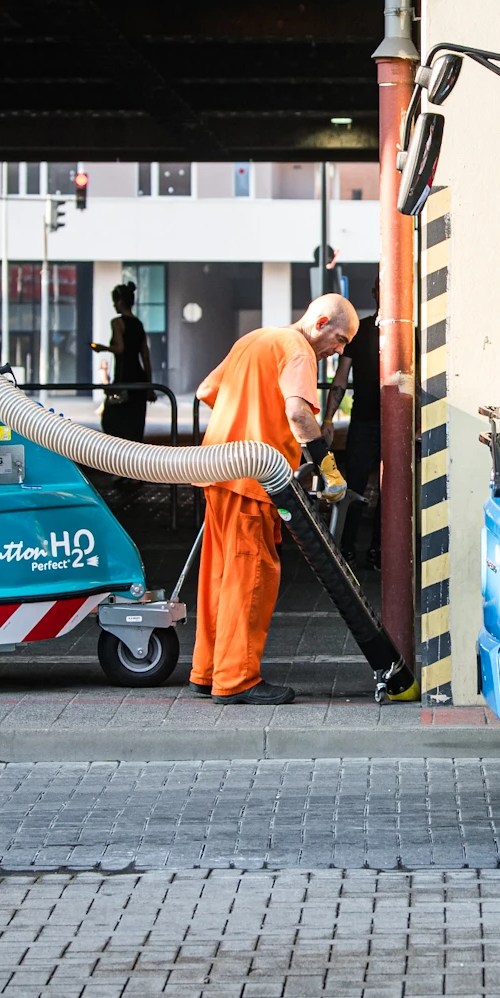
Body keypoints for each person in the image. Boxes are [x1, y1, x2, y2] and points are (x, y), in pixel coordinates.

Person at [190, 293, 358, 705]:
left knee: (219, 576)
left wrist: (248, 408)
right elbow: (299, 414)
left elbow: (205, 391)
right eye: (339, 339)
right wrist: (327, 466)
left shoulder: (254, 339)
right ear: (319, 322)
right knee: (251, 579)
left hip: (215, 470)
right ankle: (237, 680)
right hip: (252, 480)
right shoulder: (298, 351)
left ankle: (207, 671)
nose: (338, 351)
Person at [321, 280, 381, 565]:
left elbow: (419, 380)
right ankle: (347, 547)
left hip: (398, 424)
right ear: (375, 292)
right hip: (364, 420)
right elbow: (341, 378)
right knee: (355, 485)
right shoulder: (360, 333)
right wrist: (329, 417)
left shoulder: (412, 335)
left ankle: (379, 549)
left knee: (392, 489)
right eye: (381, 286)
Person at [89, 283, 154, 442]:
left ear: (120, 302)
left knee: (112, 421)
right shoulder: (138, 324)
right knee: (134, 425)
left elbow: (120, 348)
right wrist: (149, 385)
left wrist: (102, 348)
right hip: (139, 378)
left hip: (124, 376)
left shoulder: (117, 323)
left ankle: (116, 461)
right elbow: (145, 356)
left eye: (115, 302)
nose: (113, 305)